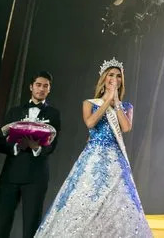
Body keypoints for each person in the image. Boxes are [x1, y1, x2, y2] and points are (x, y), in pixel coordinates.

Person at [35, 58, 152, 237]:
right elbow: (90, 123)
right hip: (93, 156)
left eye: (118, 76)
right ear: (104, 79)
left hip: (116, 159)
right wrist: (106, 101)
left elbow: (126, 127)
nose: (115, 79)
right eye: (111, 75)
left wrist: (116, 101)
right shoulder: (89, 103)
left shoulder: (126, 106)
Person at [0, 71, 61, 238]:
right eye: (38, 85)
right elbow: (1, 143)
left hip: (36, 177)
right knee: (1, 225)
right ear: (31, 87)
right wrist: (17, 146)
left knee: (31, 227)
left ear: (49, 89)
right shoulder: (14, 112)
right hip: (10, 175)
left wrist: (34, 146)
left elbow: (52, 146)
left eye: (46, 86)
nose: (41, 89)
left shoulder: (53, 114)